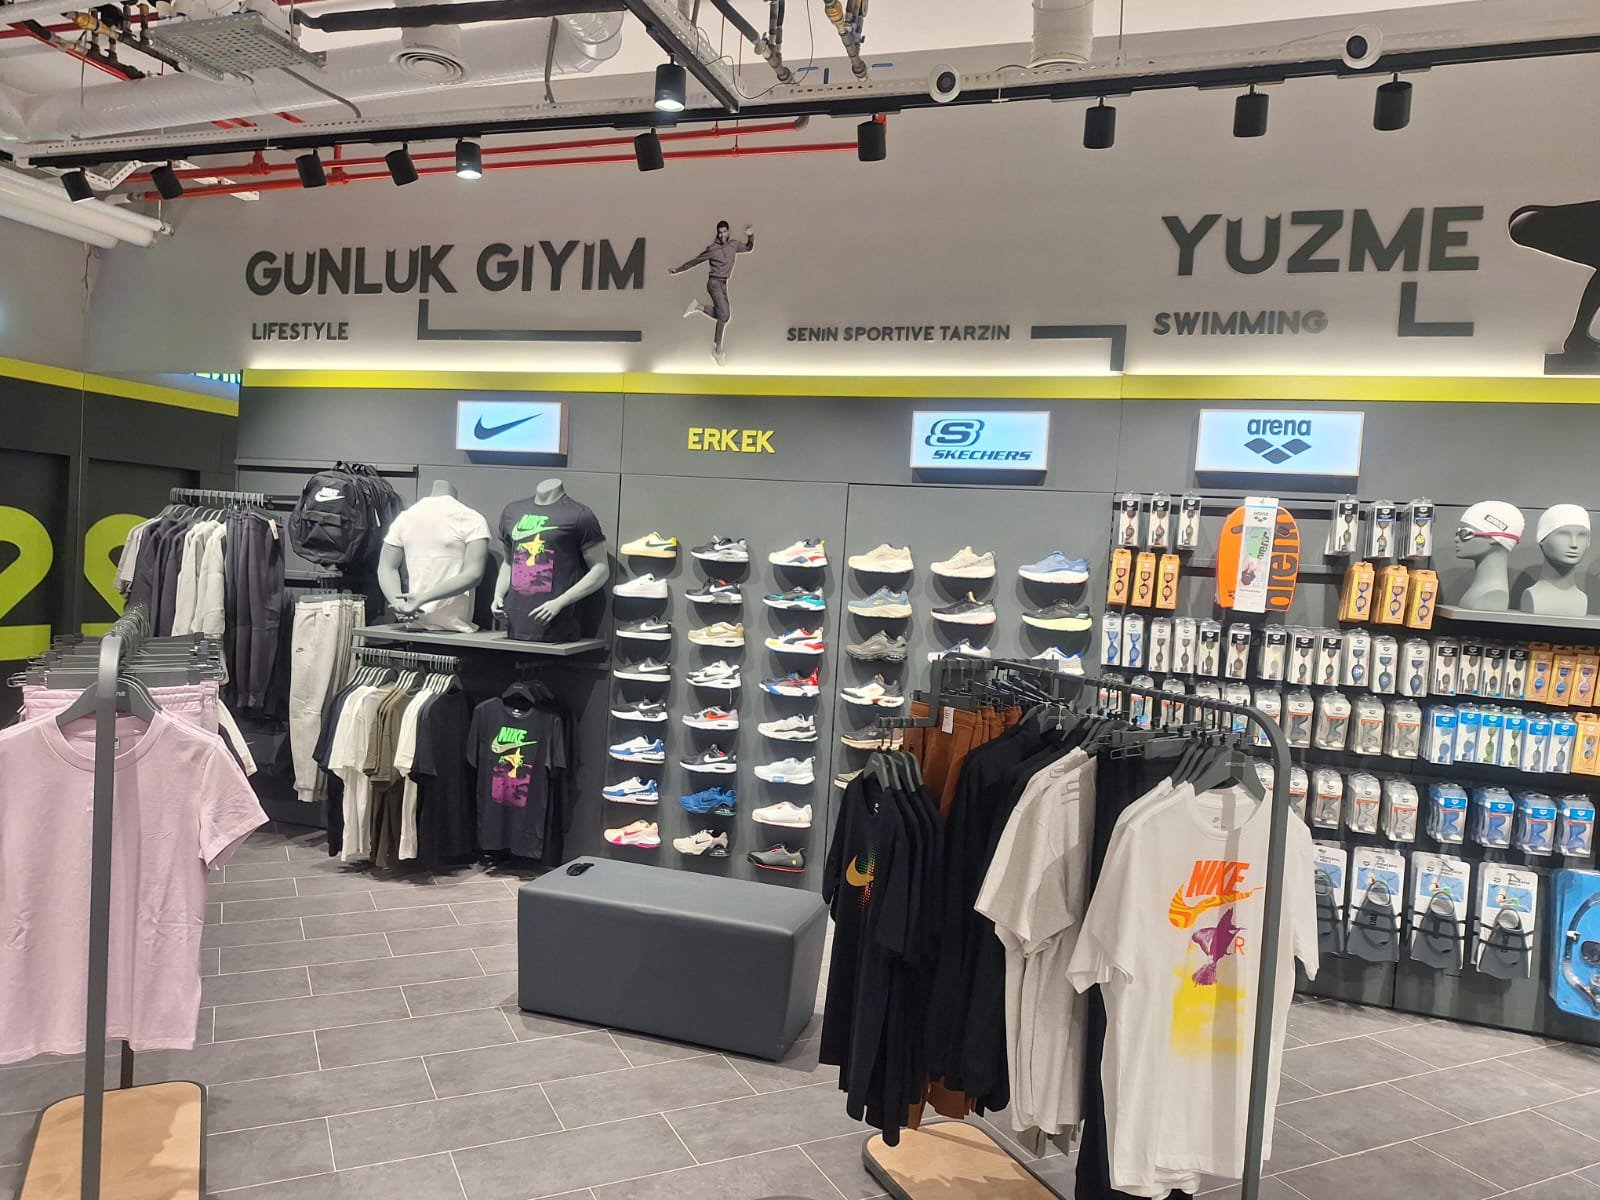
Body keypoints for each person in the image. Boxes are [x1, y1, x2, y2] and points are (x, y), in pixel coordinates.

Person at [671, 219, 754, 365]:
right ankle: (717, 351)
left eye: (724, 232)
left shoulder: (734, 245)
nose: (722, 235)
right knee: (724, 315)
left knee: (725, 316)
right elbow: (695, 261)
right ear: (717, 233)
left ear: (728, 232)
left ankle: (697, 306)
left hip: (723, 284)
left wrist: (751, 235)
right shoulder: (712, 249)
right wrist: (678, 270)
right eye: (720, 233)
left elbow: (749, 248)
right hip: (714, 283)